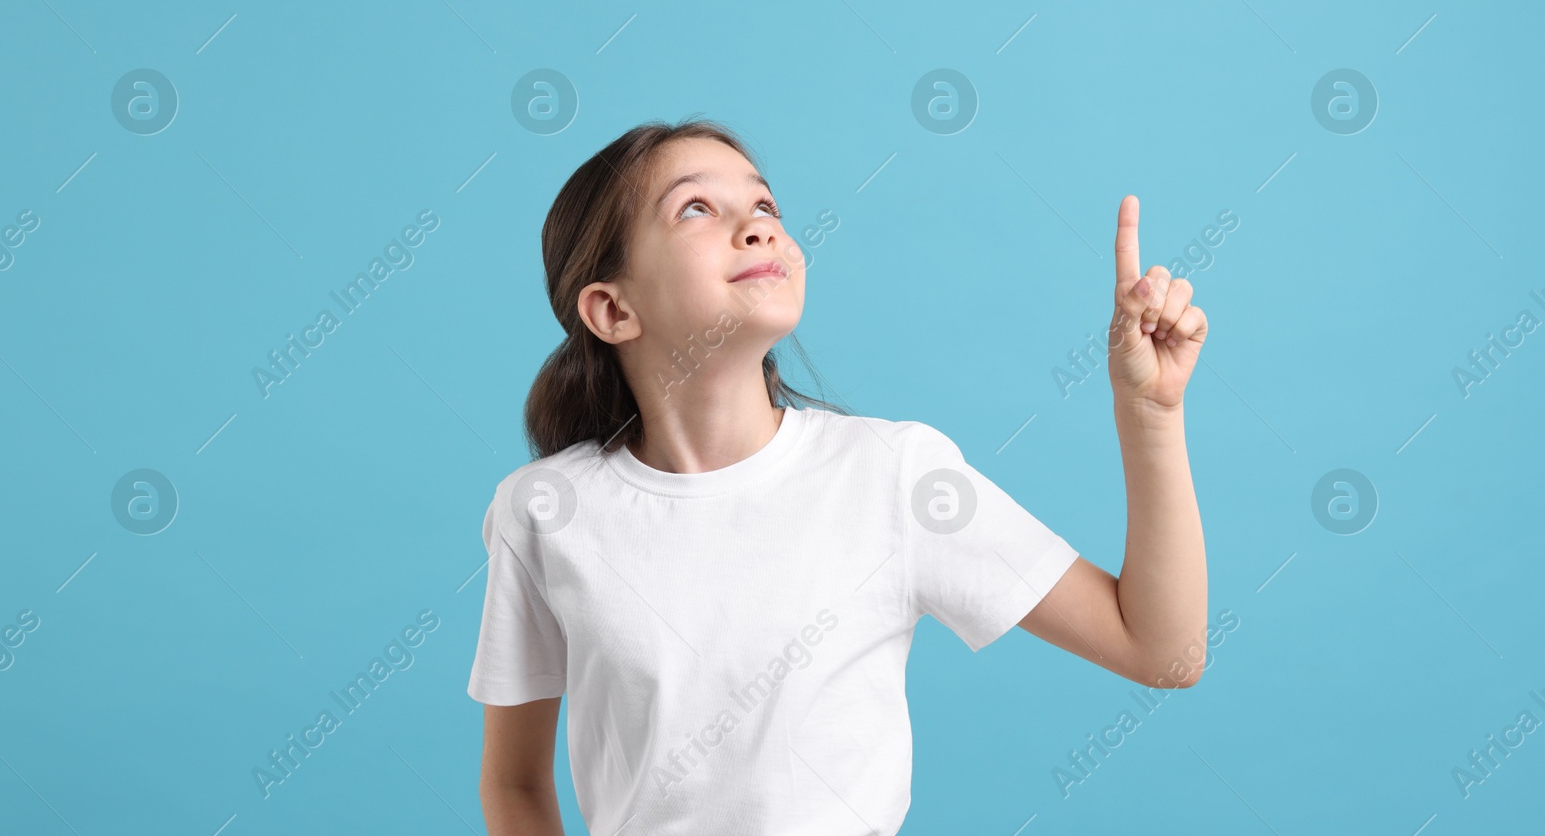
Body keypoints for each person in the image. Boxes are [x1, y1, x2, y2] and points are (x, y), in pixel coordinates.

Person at [468, 116, 1209, 835]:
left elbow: (1161, 650)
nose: (758, 226)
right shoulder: (544, 511)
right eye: (696, 207)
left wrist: (1150, 411)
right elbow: (515, 781)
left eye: (764, 205)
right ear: (612, 309)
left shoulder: (895, 476)